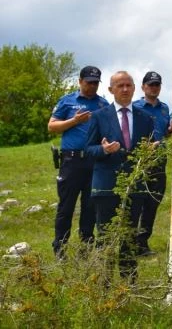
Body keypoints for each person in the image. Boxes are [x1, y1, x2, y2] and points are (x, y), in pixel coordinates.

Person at [85, 71, 155, 281]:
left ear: (135, 88)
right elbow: (88, 149)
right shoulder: (99, 116)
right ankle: (104, 287)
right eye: (120, 86)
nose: (125, 89)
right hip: (106, 186)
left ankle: (128, 287)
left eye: (128, 85)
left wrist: (151, 152)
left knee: (129, 238)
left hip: (133, 186)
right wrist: (104, 150)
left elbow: (148, 149)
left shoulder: (145, 118)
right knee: (105, 238)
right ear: (110, 90)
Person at [48, 65, 109, 258]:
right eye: (89, 82)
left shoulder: (103, 104)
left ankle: (86, 245)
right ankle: (60, 247)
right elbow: (52, 126)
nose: (92, 86)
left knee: (90, 206)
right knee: (66, 206)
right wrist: (74, 121)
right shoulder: (67, 101)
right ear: (80, 81)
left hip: (95, 160)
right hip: (72, 160)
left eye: (95, 83)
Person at [130, 71, 172, 257]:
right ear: (143, 87)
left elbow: (164, 133)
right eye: (150, 84)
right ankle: (129, 242)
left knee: (153, 200)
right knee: (136, 201)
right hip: (140, 158)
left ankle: (142, 241)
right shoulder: (134, 106)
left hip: (159, 158)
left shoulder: (164, 108)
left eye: (157, 84)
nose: (154, 88)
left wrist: (171, 129)